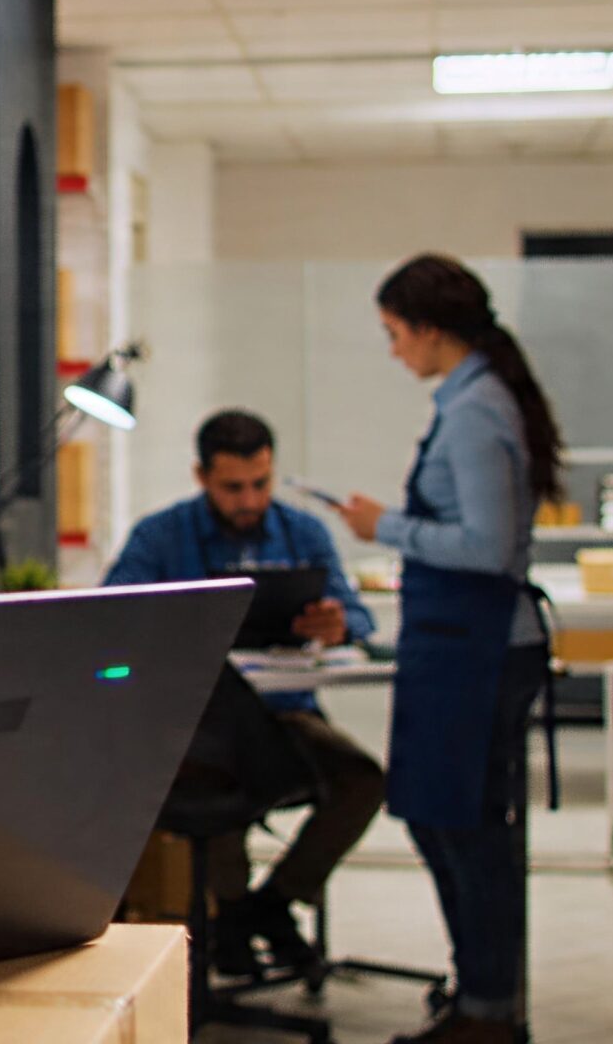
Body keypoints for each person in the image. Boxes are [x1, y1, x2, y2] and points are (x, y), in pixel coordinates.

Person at [331, 255, 559, 1044]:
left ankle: (489, 1012)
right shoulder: (476, 398)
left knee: (466, 829)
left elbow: (490, 548)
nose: (394, 351)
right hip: (457, 646)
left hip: (480, 651)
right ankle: (481, 993)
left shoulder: (474, 411)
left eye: (396, 334)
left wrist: (384, 527)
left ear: (430, 331)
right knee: (441, 820)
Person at [103, 409, 383, 978]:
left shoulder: (303, 532)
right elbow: (114, 613)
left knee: (363, 778)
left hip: (286, 714)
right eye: (233, 488)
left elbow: (356, 614)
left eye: (261, 484)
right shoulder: (161, 537)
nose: (249, 500)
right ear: (201, 476)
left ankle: (267, 907)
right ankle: (229, 914)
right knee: (218, 776)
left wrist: (338, 623)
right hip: (197, 725)